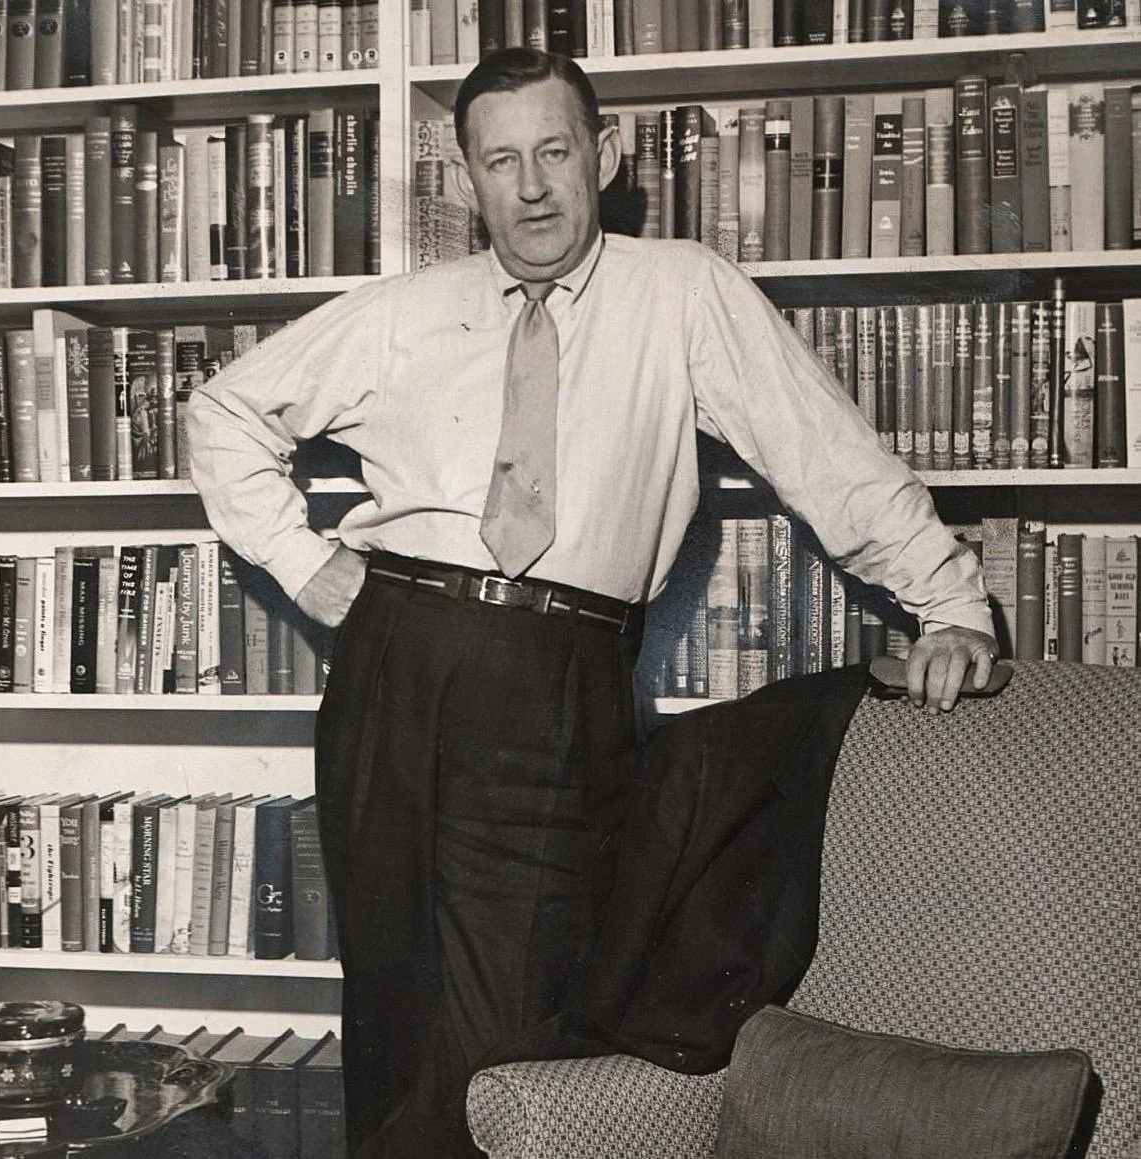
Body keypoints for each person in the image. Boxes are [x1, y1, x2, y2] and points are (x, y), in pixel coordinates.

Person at [188, 48, 999, 1158]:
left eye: (554, 152)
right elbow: (226, 411)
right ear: (468, 179)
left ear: (603, 157)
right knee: (391, 1011)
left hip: (555, 682)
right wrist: (305, 563)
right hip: (393, 662)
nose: (529, 187)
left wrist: (947, 601)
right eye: (501, 160)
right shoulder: (404, 311)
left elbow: (828, 456)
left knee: (514, 1034)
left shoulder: (683, 291)